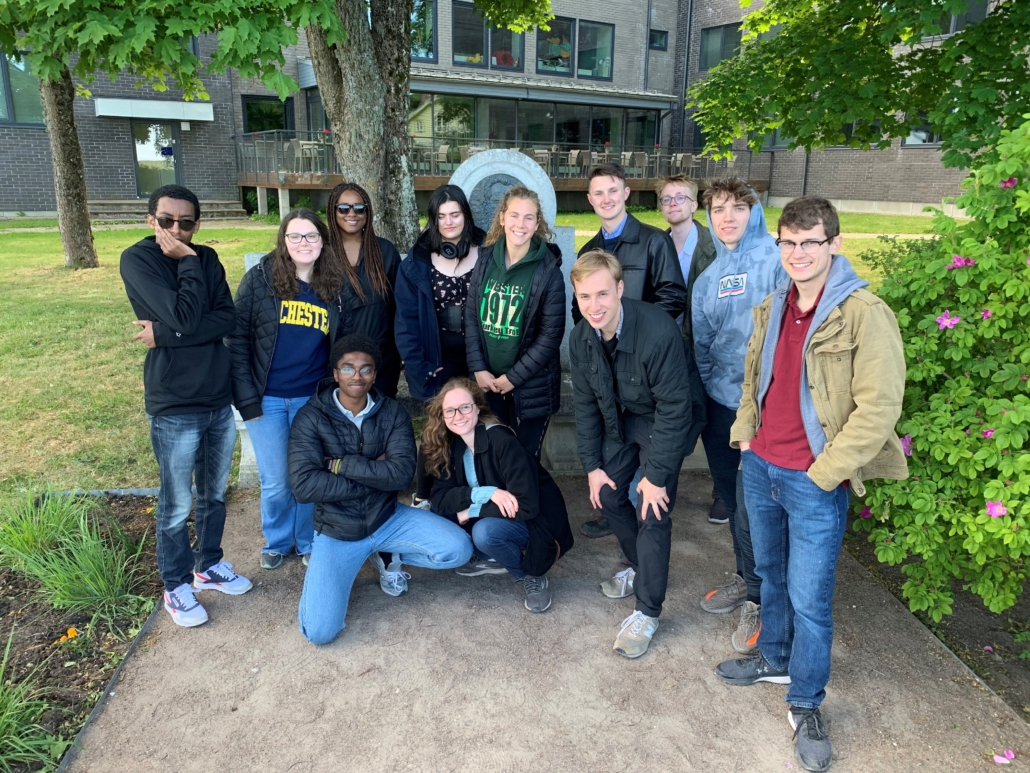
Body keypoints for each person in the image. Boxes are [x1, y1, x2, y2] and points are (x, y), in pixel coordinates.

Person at [715, 196, 908, 772]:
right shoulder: (774, 304)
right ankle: (773, 657)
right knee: (769, 575)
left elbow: (879, 409)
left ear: (834, 244)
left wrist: (826, 472)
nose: (797, 253)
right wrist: (746, 439)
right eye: (789, 242)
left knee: (810, 600)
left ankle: (806, 702)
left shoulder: (864, 313)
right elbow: (753, 379)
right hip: (761, 468)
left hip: (814, 479)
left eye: (810, 242)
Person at [120, 184, 251, 628]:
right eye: (166, 221)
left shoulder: (207, 257)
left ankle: (207, 565)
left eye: (187, 222)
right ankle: (175, 585)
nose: (177, 230)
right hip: (174, 402)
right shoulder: (138, 259)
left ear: (198, 223)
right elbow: (187, 317)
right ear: (150, 220)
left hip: (217, 396)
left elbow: (227, 318)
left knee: (214, 493)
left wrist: (165, 333)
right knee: (177, 502)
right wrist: (188, 265)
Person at [288, 334, 473, 645]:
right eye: (348, 368)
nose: (357, 376)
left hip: (387, 517)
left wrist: (338, 465)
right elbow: (304, 486)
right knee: (319, 633)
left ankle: (388, 552)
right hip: (337, 530)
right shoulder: (311, 417)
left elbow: (401, 476)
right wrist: (375, 474)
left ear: (375, 374)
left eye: (366, 369)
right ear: (335, 373)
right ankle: (349, 563)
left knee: (458, 549)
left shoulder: (392, 412)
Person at [568, 249, 693, 659]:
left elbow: (676, 408)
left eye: (603, 294)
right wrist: (592, 466)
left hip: (665, 420)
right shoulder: (581, 337)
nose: (594, 306)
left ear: (620, 288)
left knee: (650, 505)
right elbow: (586, 406)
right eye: (585, 296)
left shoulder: (657, 331)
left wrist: (655, 477)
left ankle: (648, 611)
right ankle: (640, 569)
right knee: (607, 494)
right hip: (624, 422)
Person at [692, 177, 787, 654]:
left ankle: (762, 599)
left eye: (737, 208)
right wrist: (716, 393)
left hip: (767, 410)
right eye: (718, 209)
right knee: (732, 501)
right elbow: (702, 344)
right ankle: (745, 577)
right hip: (721, 407)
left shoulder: (779, 261)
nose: (727, 217)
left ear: (755, 212)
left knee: (758, 510)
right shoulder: (708, 278)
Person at [577, 163, 694, 540]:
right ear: (590, 199)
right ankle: (615, 514)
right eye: (598, 192)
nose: (606, 198)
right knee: (614, 446)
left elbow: (673, 295)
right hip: (609, 369)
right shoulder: (588, 251)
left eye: (613, 190)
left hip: (645, 367)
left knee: (648, 454)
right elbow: (582, 312)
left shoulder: (654, 241)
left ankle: (646, 523)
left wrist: (636, 333)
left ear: (626, 193)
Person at [228, 208, 349, 570]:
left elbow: (341, 344)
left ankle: (308, 539)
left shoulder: (334, 286)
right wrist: (246, 399)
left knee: (309, 472)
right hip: (266, 398)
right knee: (277, 479)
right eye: (294, 236)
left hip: (311, 399)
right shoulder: (259, 281)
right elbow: (236, 340)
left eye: (311, 235)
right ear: (283, 241)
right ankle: (278, 541)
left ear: (323, 241)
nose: (303, 243)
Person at [423, 378, 574, 612]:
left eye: (465, 407)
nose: (458, 416)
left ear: (477, 408)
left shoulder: (502, 441)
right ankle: (492, 556)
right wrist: (487, 493)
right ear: (442, 415)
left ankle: (529, 575)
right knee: (437, 512)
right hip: (500, 511)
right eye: (450, 410)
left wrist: (471, 510)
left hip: (537, 521)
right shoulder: (453, 443)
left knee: (484, 533)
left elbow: (526, 505)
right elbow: (441, 498)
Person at [395, 185, 486, 508]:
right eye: (441, 216)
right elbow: (405, 323)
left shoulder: (488, 252)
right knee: (437, 430)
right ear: (433, 220)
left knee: (480, 428)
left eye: (455, 214)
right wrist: (420, 367)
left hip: (480, 359)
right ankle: (423, 495)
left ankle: (478, 494)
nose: (449, 222)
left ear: (466, 216)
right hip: (437, 360)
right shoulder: (416, 262)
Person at [465, 185, 565, 460]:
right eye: (514, 215)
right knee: (492, 459)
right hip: (488, 384)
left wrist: (513, 378)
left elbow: (550, 337)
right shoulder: (485, 260)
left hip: (529, 388)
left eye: (528, 217)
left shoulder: (548, 271)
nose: (520, 224)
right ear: (502, 218)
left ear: (537, 223)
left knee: (523, 463)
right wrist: (478, 368)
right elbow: (472, 317)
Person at [656, 174, 725, 525]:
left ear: (695, 204)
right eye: (666, 199)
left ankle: (722, 491)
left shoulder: (717, 246)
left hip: (710, 348)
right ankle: (662, 489)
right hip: (672, 350)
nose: (672, 204)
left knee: (717, 423)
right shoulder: (657, 244)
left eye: (679, 198)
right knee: (674, 421)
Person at [326, 182, 403, 398]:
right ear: (333, 212)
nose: (352, 213)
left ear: (367, 212)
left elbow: (400, 308)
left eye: (359, 208)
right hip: (333, 361)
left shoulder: (385, 252)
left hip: (380, 360)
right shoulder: (322, 252)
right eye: (344, 208)